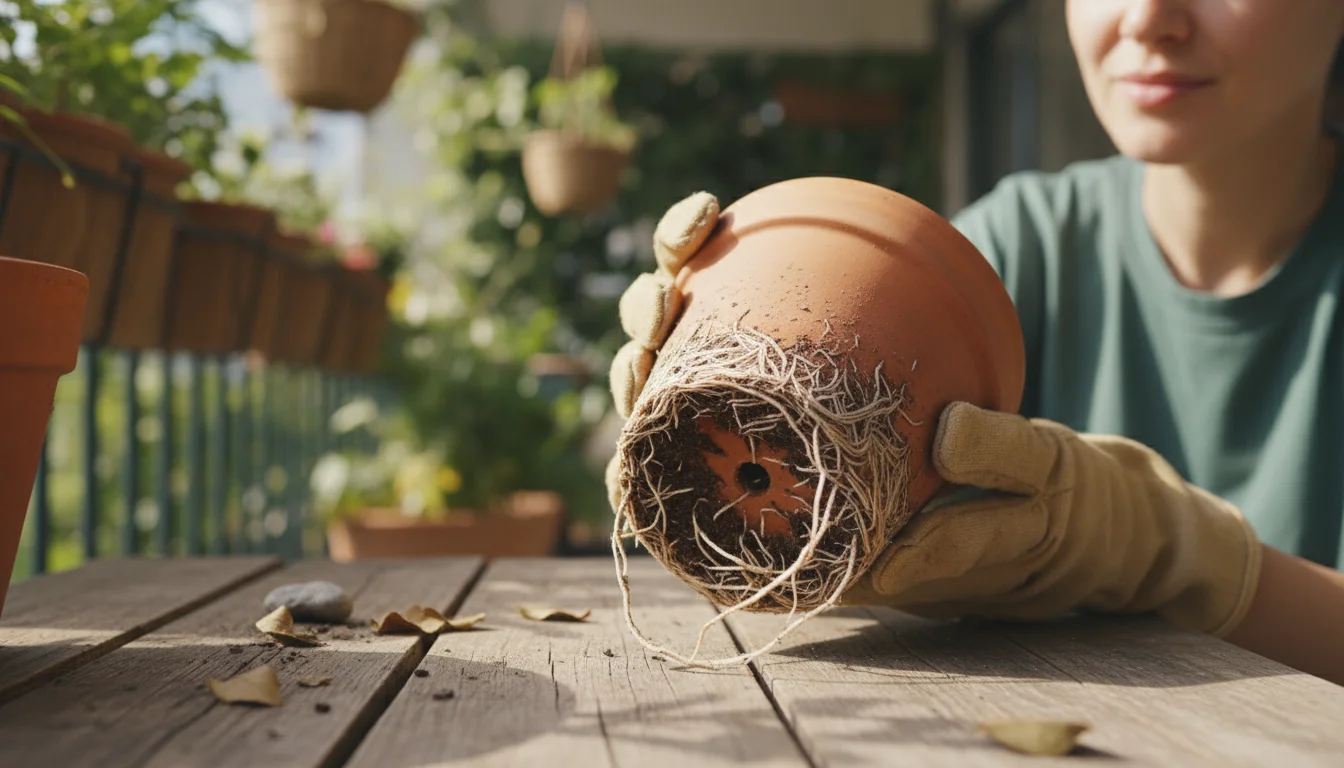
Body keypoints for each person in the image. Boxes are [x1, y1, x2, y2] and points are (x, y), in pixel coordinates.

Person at [609, 0, 1344, 686]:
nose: (1149, 18)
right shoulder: (1020, 249)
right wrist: (705, 368)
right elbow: (833, 534)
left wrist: (1167, 552)